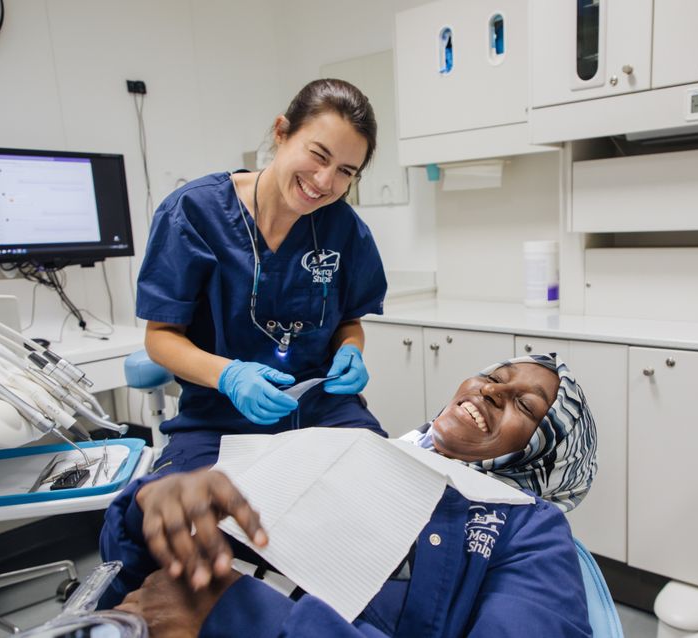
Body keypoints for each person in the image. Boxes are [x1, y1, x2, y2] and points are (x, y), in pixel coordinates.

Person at [101, 354, 598, 638]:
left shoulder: (527, 528)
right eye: (494, 377)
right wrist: (148, 506)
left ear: (545, 453)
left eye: (525, 407)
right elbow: (119, 563)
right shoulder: (349, 443)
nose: (491, 392)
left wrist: (237, 616)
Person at [135, 78, 388, 471]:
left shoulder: (345, 229)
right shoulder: (193, 214)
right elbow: (161, 337)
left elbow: (348, 320)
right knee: (184, 521)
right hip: (217, 418)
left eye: (345, 171)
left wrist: (350, 349)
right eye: (318, 155)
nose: (324, 182)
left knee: (386, 489)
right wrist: (230, 375)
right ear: (282, 132)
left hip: (322, 409)